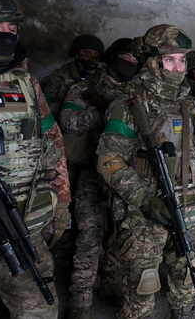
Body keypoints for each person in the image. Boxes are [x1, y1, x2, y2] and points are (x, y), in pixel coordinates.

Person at [96, 24, 195, 319]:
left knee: (187, 274)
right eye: (169, 60)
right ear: (153, 61)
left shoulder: (190, 102)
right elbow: (108, 160)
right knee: (142, 285)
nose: (178, 68)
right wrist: (144, 198)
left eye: (182, 60)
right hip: (145, 216)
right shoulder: (129, 103)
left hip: (190, 206)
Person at [0, 0, 70, 318]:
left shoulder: (27, 84)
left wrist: (61, 203)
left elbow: (52, 143)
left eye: (11, 29)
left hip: (19, 221)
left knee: (41, 309)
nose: (4, 35)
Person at [61, 38, 141, 319]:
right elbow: (68, 122)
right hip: (93, 175)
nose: (130, 63)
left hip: (125, 177)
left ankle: (111, 283)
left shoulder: (137, 92)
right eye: (125, 58)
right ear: (113, 57)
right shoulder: (87, 87)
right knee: (89, 237)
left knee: (120, 234)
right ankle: (81, 302)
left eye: (135, 60)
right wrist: (100, 114)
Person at [43, 34, 105, 119]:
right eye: (87, 52)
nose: (91, 56)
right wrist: (68, 103)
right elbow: (45, 108)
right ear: (77, 53)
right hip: (67, 121)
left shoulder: (102, 76)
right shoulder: (61, 75)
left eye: (95, 54)